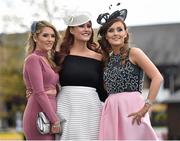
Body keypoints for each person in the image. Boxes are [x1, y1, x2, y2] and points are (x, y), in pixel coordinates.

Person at [97, 8, 164, 140]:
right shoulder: (107, 59)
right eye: (111, 30)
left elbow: (157, 77)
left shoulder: (134, 53)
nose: (115, 33)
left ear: (126, 33)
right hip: (111, 109)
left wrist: (146, 106)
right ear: (106, 36)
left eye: (119, 29)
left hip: (133, 108)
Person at [54, 11, 108, 140]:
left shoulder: (99, 57)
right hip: (66, 107)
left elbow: (103, 90)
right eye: (81, 26)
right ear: (71, 30)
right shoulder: (59, 56)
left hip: (92, 109)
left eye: (88, 26)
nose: (86, 29)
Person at [22, 20, 61, 140]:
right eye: (45, 35)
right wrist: (54, 120)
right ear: (35, 37)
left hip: (50, 112)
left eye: (53, 36)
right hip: (39, 113)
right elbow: (39, 92)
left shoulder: (48, 60)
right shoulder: (33, 59)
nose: (50, 39)